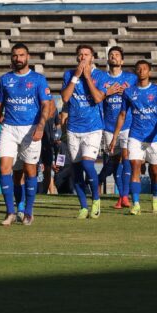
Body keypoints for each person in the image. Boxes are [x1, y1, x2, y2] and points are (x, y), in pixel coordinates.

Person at [0, 43, 52, 226]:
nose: (18, 59)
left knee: (30, 170)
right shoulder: (5, 80)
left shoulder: (38, 80)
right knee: (4, 168)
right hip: (8, 128)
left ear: (28, 57)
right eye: (15, 55)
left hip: (30, 129)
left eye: (21, 55)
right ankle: (10, 212)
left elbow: (46, 105)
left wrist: (40, 127)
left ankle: (28, 212)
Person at [111, 60, 157, 215]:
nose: (141, 71)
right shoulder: (129, 92)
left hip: (154, 137)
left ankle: (156, 199)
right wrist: (114, 137)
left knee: (155, 170)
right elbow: (123, 114)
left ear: (149, 71)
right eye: (139, 69)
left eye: (144, 69)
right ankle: (136, 204)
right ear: (136, 72)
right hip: (135, 136)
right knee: (135, 167)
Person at [59, 45, 107, 219]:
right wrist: (76, 77)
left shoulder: (100, 75)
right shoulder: (69, 74)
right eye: (80, 55)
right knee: (77, 169)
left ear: (92, 57)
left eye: (86, 54)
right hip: (73, 128)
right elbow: (65, 97)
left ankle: (96, 199)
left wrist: (87, 77)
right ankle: (83, 206)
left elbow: (98, 98)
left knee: (88, 165)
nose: (83, 58)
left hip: (93, 127)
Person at [99, 46, 136, 208]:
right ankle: (121, 195)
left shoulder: (131, 78)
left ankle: (125, 197)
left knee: (126, 158)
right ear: (108, 59)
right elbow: (96, 97)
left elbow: (138, 95)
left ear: (122, 60)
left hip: (127, 124)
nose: (113, 57)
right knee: (114, 162)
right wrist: (108, 92)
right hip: (108, 126)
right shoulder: (101, 79)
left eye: (117, 55)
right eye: (111, 55)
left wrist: (126, 93)